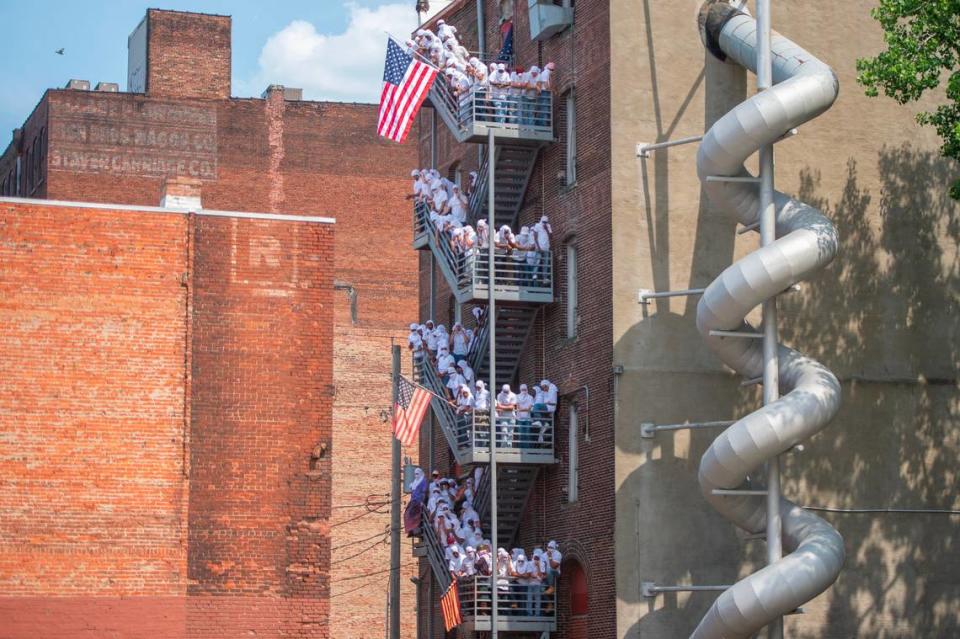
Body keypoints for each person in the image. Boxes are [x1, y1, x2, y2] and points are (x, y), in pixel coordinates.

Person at [515, 383, 534, 448]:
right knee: (521, 435)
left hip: (528, 419)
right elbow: (518, 407)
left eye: (525, 389)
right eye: (522, 389)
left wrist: (523, 409)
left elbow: (529, 408)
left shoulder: (530, 397)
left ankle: (527, 450)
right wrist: (525, 409)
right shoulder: (517, 396)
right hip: (519, 419)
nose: (524, 391)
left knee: (527, 435)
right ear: (520, 389)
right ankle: (522, 450)